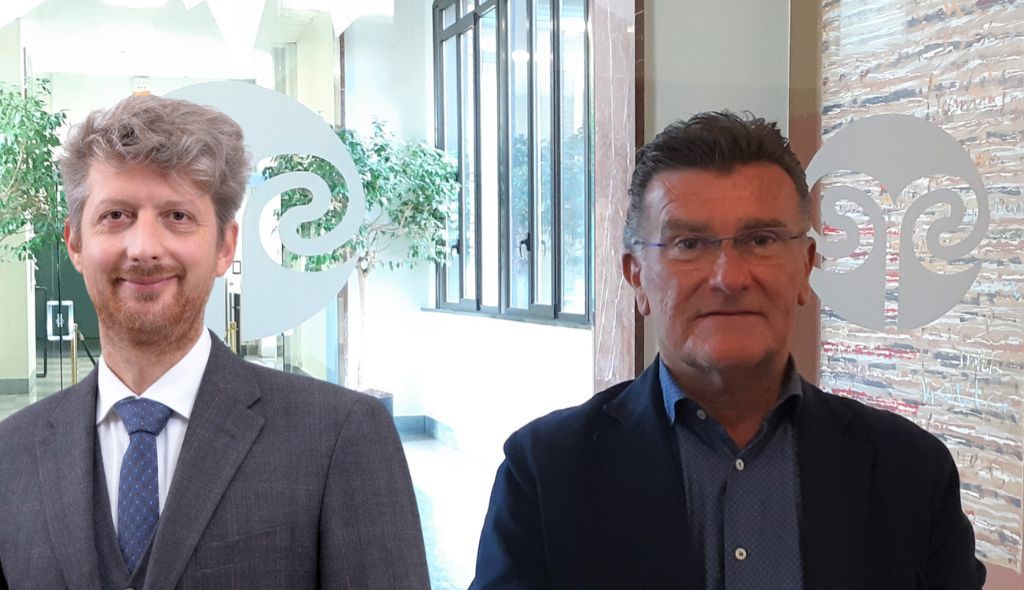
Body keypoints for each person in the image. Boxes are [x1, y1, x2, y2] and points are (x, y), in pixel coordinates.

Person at [471, 111, 986, 589]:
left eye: (760, 240)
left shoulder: (911, 471)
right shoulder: (544, 474)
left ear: (806, 268)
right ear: (637, 278)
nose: (729, 278)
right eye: (688, 244)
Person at [0, 95, 429, 589]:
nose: (144, 248)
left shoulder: (340, 438)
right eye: (116, 215)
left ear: (225, 245)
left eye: (178, 216)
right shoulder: (11, 454)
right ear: (76, 243)